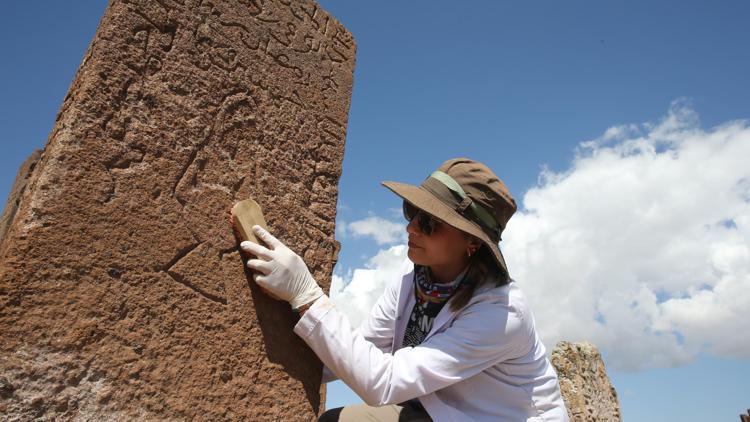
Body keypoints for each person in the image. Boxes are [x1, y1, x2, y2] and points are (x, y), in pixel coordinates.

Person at [240, 158, 568, 421]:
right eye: (413, 212)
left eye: (429, 221)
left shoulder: (501, 314)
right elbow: (356, 354)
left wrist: (306, 294)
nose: (411, 227)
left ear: (471, 241)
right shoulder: (411, 281)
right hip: (433, 410)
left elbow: (383, 383)